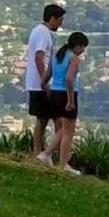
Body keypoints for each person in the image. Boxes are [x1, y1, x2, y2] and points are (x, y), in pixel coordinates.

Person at [41, 32, 89, 175]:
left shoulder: (56, 56)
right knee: (69, 133)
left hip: (55, 93)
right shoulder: (73, 58)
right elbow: (69, 78)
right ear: (78, 46)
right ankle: (63, 165)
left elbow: (46, 76)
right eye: (83, 47)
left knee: (62, 129)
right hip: (66, 93)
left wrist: (45, 87)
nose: (83, 51)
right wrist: (70, 100)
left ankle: (46, 154)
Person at [25, 4, 65, 164]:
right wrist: (45, 81)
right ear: (52, 18)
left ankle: (39, 153)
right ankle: (51, 154)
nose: (61, 24)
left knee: (42, 119)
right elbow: (39, 58)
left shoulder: (38, 31)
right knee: (58, 119)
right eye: (60, 20)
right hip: (41, 84)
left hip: (34, 83)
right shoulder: (43, 33)